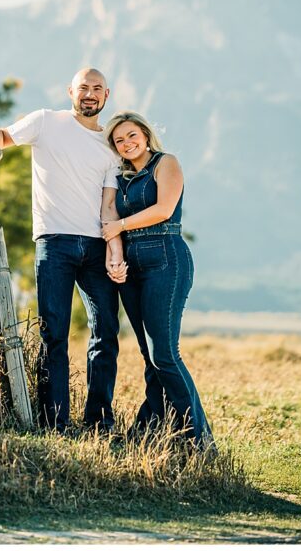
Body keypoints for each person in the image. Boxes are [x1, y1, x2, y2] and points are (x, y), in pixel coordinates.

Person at [0, 67, 126, 434]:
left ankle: (99, 421)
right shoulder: (45, 122)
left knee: (106, 331)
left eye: (97, 89)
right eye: (84, 87)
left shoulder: (110, 146)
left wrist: (113, 250)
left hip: (96, 247)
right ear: (70, 91)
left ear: (106, 95)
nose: (90, 93)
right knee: (54, 333)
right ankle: (55, 422)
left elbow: (109, 206)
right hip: (54, 243)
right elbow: (4, 136)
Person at [100, 111, 214, 452]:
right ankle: (151, 435)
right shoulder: (118, 178)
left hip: (166, 256)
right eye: (119, 140)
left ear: (145, 135)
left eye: (132, 135)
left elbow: (164, 209)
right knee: (149, 356)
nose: (127, 143)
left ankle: (200, 440)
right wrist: (115, 255)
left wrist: (119, 228)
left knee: (164, 353)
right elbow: (107, 216)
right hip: (132, 265)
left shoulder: (166, 163)